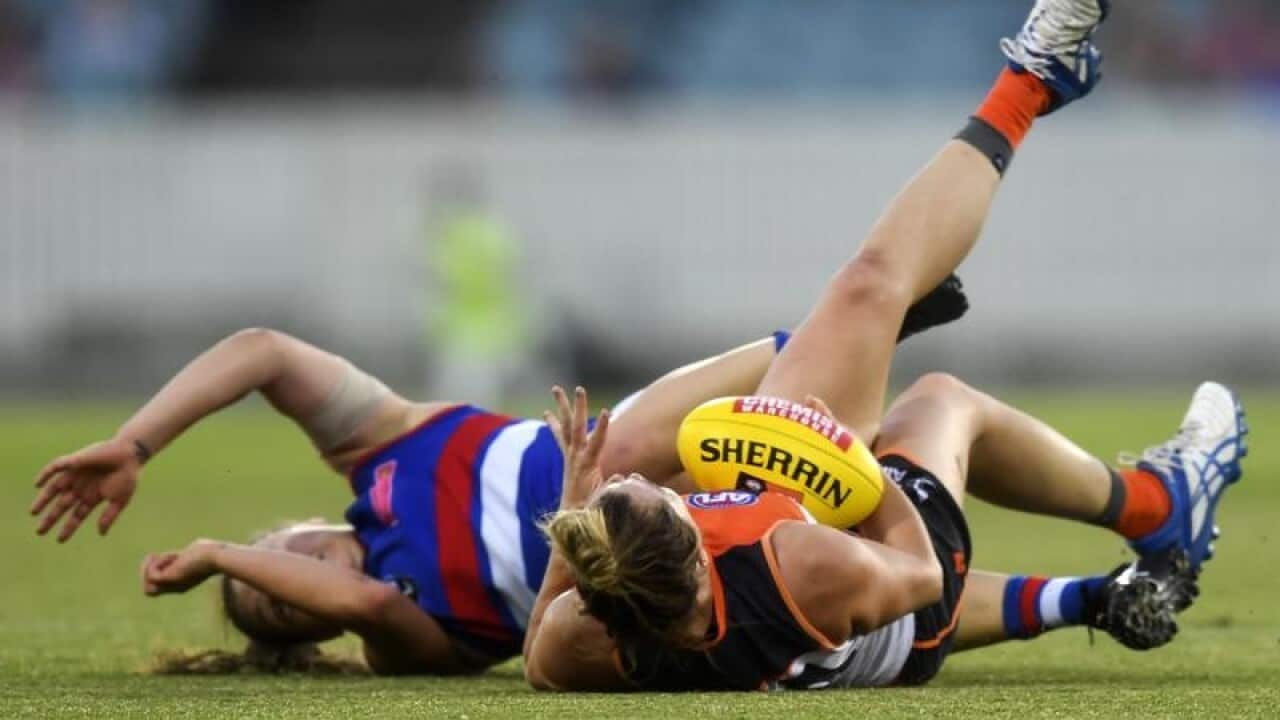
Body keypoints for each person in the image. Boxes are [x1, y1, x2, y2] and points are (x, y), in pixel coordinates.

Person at [522, 0, 1248, 692]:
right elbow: (920, 578)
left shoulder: (599, 634)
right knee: (929, 386)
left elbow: (537, 661)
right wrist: (861, 467)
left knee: (862, 309)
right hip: (910, 604)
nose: (652, 484)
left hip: (803, 563)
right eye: (657, 502)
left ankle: (1129, 545)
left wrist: (578, 513)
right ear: (695, 546)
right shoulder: (794, 563)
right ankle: (1158, 502)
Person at [29, 301, 966, 673]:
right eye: (274, 606)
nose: (281, 579)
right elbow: (353, 595)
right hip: (659, 543)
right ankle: (849, 340)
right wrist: (216, 559)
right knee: (919, 550)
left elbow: (264, 352)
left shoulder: (376, 450)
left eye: (265, 559)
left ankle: (834, 332)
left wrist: (137, 443)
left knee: (627, 439)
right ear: (313, 632)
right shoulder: (402, 634)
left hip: (632, 453)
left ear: (292, 521)